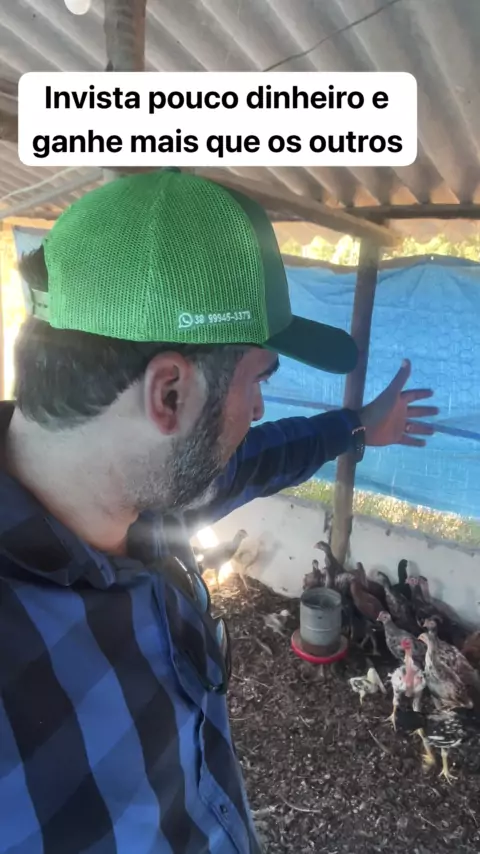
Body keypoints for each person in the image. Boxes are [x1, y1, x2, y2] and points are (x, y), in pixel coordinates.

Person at [0, 169, 438, 854]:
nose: (259, 409)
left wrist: (356, 426)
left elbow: (253, 460)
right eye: (258, 380)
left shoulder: (137, 498)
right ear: (169, 394)